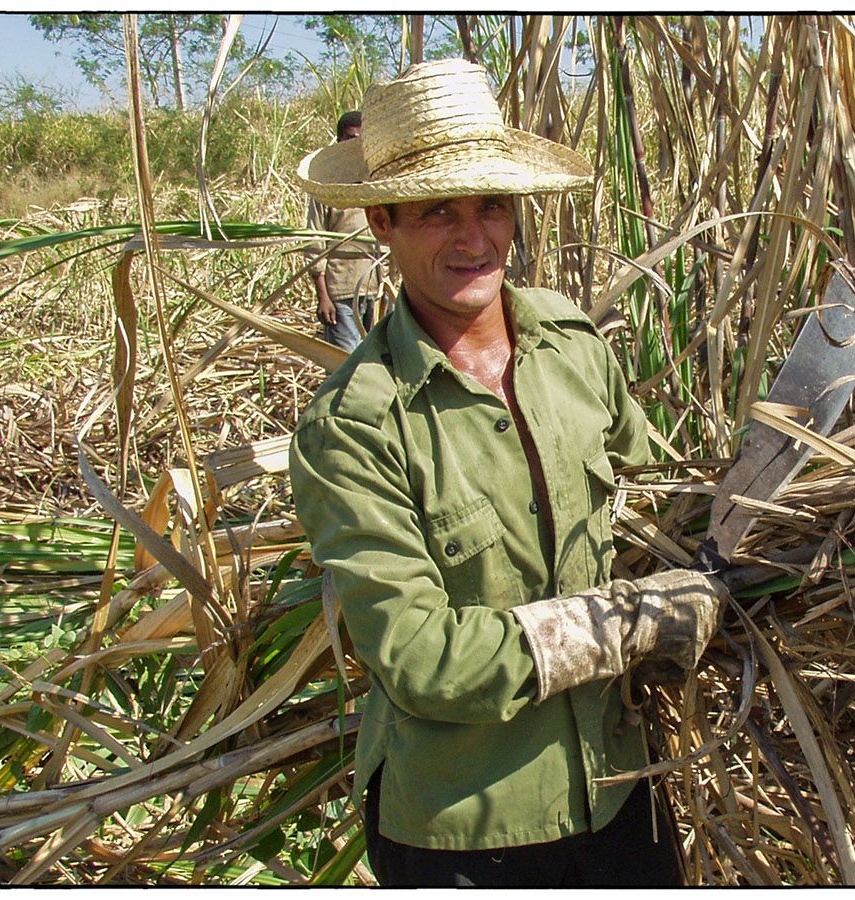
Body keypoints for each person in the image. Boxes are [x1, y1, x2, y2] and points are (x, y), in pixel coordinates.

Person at [288, 59, 728, 887]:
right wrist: (632, 623)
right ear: (381, 222)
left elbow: (652, 503)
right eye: (436, 211)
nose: (474, 237)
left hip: (618, 784)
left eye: (491, 203)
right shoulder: (355, 425)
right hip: (466, 824)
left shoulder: (571, 345)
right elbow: (421, 658)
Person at [305, 110, 388, 352]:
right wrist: (323, 296)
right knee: (345, 360)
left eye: (362, 139)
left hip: (375, 288)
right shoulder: (326, 189)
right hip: (341, 290)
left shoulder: (376, 185)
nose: (356, 145)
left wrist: (389, 285)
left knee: (376, 361)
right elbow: (314, 242)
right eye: (350, 138)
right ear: (339, 141)